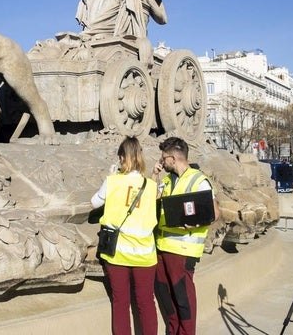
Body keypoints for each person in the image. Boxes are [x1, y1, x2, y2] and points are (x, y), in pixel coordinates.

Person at [91, 136, 159, 335]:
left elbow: (94, 202)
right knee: (146, 303)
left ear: (121, 158)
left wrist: (109, 177)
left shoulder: (112, 182)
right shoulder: (151, 186)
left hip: (117, 253)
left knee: (120, 303)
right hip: (145, 255)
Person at [152, 137, 221, 335]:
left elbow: (215, 213)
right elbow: (152, 201)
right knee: (166, 297)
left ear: (173, 158)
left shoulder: (198, 180)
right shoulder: (165, 180)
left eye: (164, 158)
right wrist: (154, 175)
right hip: (162, 248)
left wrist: (198, 222)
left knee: (183, 298)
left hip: (183, 249)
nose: (161, 162)